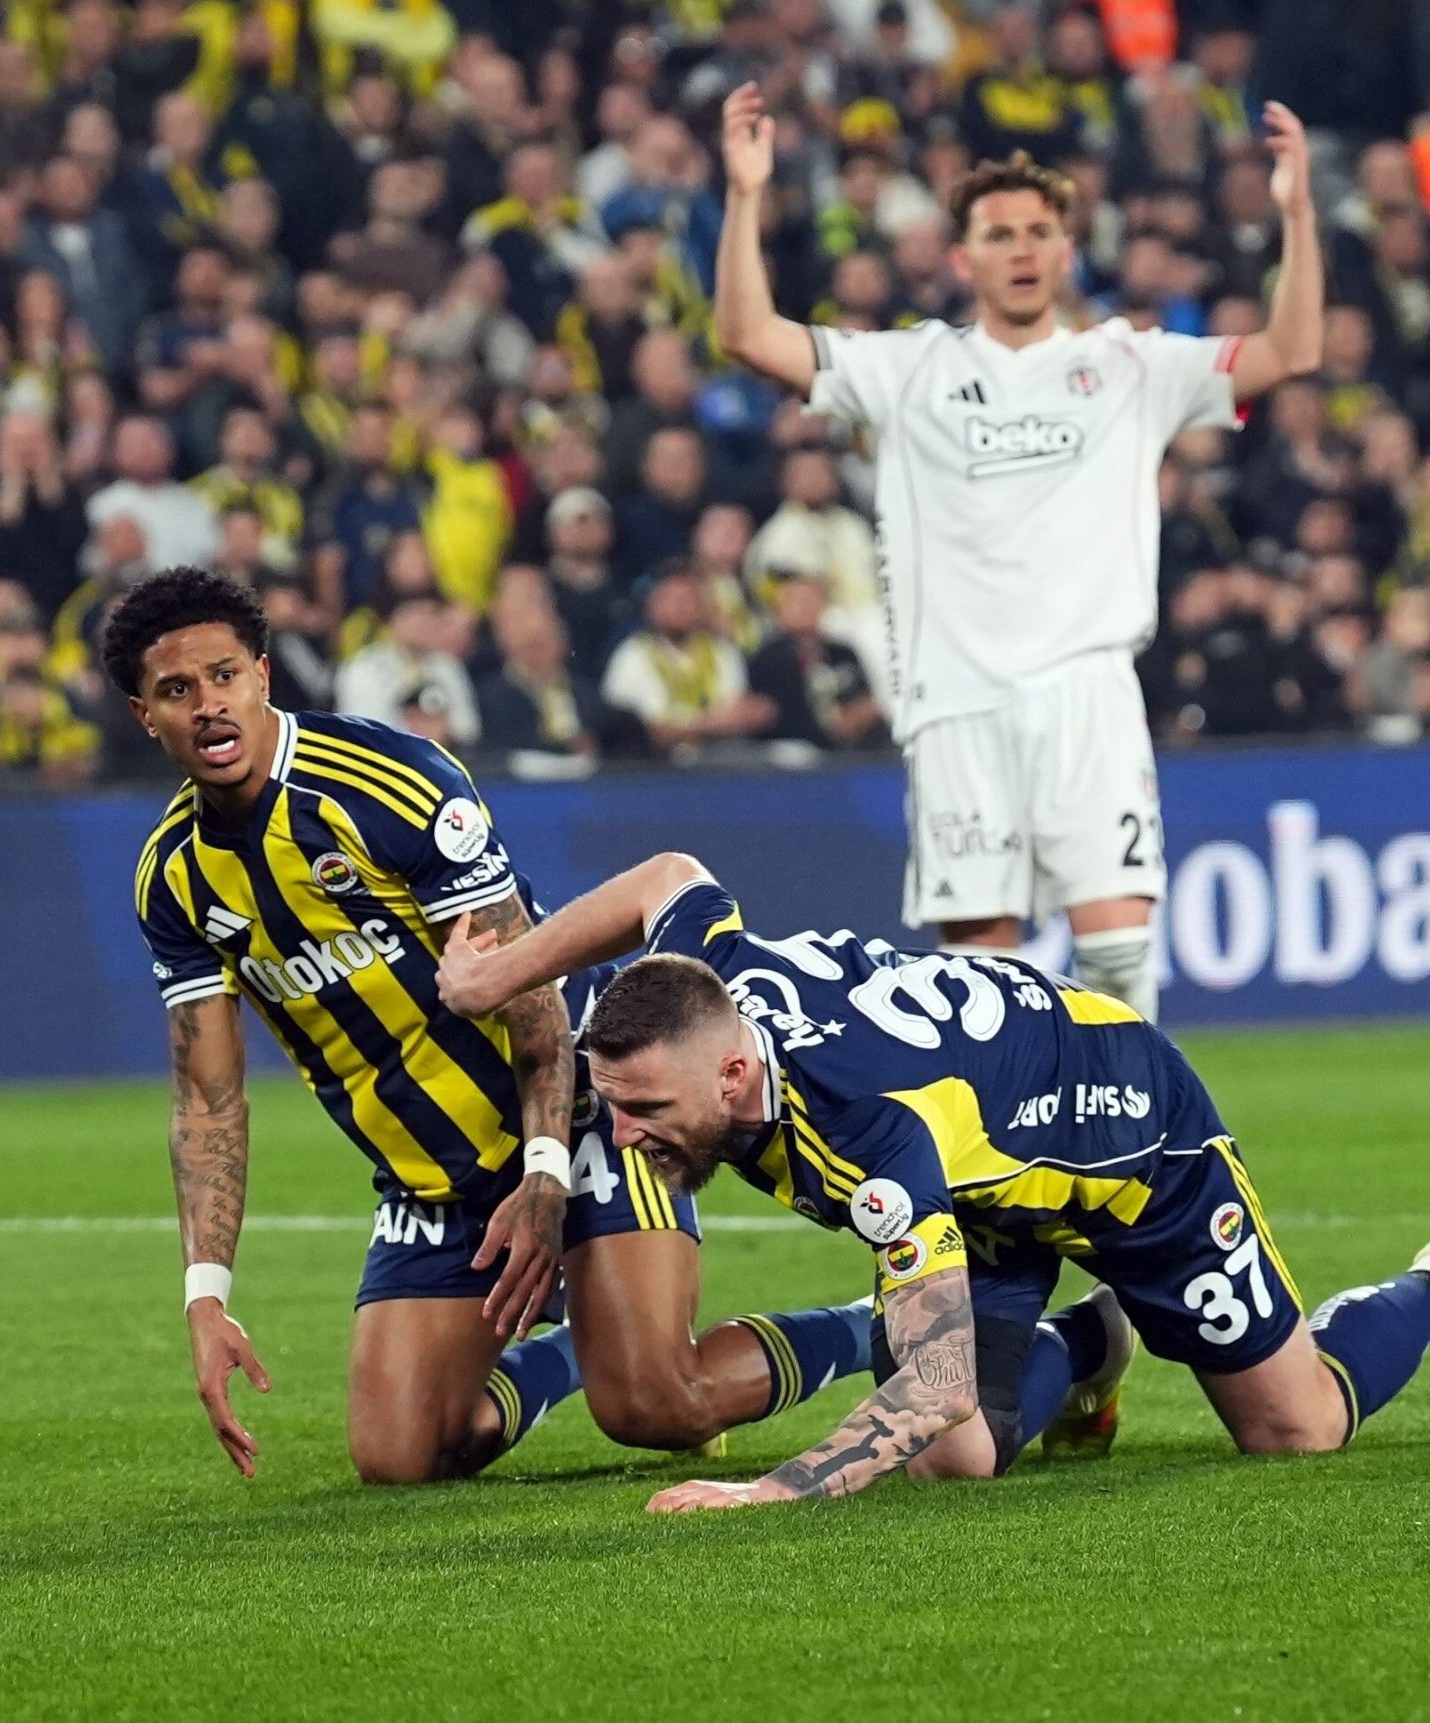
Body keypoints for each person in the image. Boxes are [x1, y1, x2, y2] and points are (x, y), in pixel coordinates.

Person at [435, 854, 1430, 1511]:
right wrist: (497, 979)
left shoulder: (870, 1131)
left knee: (1297, 1432)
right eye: (615, 1104)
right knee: (955, 1460)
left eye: (644, 1108)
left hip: (1131, 1145)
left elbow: (930, 1380)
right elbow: (670, 879)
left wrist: (773, 1490)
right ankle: (1093, 1342)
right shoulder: (710, 986)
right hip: (986, 1182)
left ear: (735, 1075)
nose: (625, 1134)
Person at [99, 569, 876, 1483]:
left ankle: (884, 1324)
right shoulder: (172, 878)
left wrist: (546, 1171)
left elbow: (529, 991)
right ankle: (583, 1344)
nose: (208, 706)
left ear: (263, 675)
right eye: (176, 690)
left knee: (659, 1405)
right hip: (432, 1176)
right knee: (402, 1456)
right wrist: (206, 1297)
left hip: (578, 1113)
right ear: (143, 714)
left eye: (225, 675)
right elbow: (208, 1098)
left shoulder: (386, 783)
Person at [709, 81, 1323, 1020]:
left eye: (1039, 232)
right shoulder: (908, 368)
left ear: (1068, 249)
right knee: (980, 986)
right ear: (963, 258)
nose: (1023, 250)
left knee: (1118, 956)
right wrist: (746, 192)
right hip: (956, 701)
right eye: (999, 235)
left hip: (1088, 692)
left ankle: (1129, 1116)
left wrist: (1299, 214)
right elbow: (748, 335)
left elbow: (1292, 350)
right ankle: (1006, 1122)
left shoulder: (1131, 364)